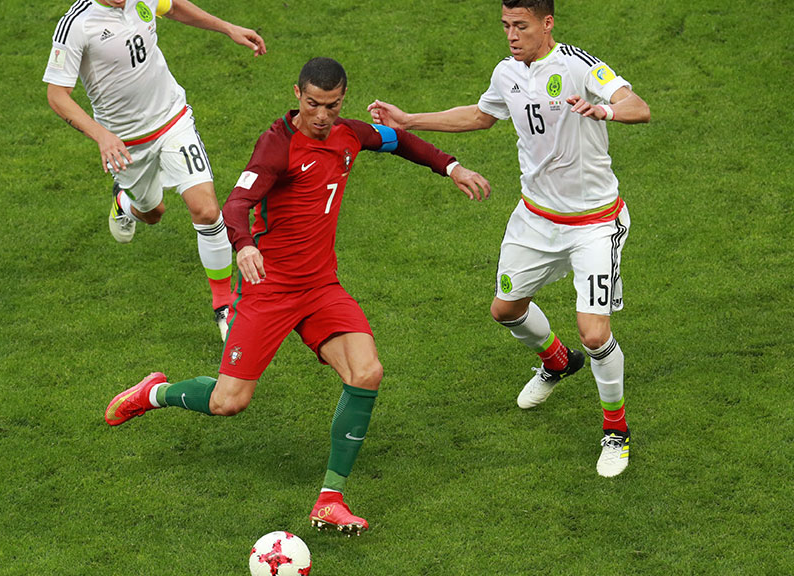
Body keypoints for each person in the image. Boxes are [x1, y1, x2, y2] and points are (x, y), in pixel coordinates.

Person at [105, 57, 491, 534]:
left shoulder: (350, 134)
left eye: (332, 105)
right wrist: (244, 246)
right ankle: (154, 392)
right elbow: (236, 204)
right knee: (229, 402)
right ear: (297, 95)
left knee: (367, 372)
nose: (322, 116)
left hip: (321, 288)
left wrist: (451, 167)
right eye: (313, 104)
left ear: (342, 100)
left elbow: (398, 140)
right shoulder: (277, 146)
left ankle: (330, 499)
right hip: (269, 291)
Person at [368, 0, 650, 478]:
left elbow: (638, 107)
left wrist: (604, 110)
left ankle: (616, 431)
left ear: (547, 23)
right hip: (535, 219)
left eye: (521, 26)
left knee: (594, 333)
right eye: (506, 26)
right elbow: (482, 116)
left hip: (594, 223)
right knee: (505, 310)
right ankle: (557, 362)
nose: (512, 35)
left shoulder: (578, 65)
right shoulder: (506, 73)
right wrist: (409, 120)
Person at [43, 0, 267, 341]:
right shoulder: (76, 24)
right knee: (153, 213)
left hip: (172, 120)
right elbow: (57, 94)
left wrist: (228, 28)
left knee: (207, 211)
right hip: (127, 142)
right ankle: (125, 204)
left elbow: (173, 7)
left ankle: (224, 306)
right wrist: (102, 136)